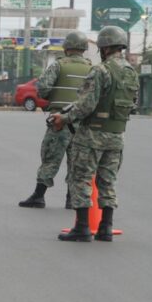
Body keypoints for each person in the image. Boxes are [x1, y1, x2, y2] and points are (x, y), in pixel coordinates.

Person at [48, 26, 139, 242]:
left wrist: (64, 118)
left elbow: (86, 105)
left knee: (81, 178)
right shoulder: (131, 72)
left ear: (104, 47)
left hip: (92, 135)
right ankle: (106, 228)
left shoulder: (101, 71)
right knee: (108, 181)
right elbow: (132, 104)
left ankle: (82, 228)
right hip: (117, 135)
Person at [19, 31, 92, 209]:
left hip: (59, 120)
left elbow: (42, 88)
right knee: (77, 161)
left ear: (67, 47)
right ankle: (71, 198)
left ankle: (39, 196)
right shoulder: (92, 68)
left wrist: (53, 97)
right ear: (84, 48)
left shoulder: (59, 65)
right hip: (82, 122)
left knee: (51, 157)